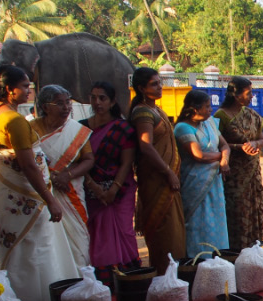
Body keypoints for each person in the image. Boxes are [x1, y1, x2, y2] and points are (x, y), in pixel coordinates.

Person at [0, 65, 78, 301]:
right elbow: (28, 166)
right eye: (24, 86)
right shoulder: (14, 121)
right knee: (37, 255)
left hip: (7, 201)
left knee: (18, 255)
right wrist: (50, 200)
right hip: (30, 202)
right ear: (9, 89)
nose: (29, 91)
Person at [81, 81, 139, 281]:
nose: (97, 102)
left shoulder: (123, 129)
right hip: (91, 191)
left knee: (123, 231)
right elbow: (77, 161)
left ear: (112, 101)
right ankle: (103, 279)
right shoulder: (81, 128)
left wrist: (113, 189)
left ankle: (128, 278)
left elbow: (126, 163)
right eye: (93, 97)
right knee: (97, 234)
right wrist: (93, 186)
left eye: (102, 98)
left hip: (120, 191)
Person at [130, 67, 186, 273]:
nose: (160, 87)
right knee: (164, 231)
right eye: (154, 84)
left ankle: (174, 276)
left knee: (175, 231)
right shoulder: (142, 112)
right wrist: (168, 172)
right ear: (141, 88)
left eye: (160, 82)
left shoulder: (157, 110)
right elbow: (146, 146)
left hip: (167, 178)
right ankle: (163, 276)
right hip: (156, 178)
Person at [31, 85, 92, 269]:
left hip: (71, 192)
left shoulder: (76, 131)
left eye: (68, 102)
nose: (66, 108)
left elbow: (89, 159)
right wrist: (50, 177)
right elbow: (25, 161)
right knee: (49, 245)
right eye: (59, 103)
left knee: (79, 244)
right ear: (45, 106)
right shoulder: (30, 129)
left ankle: (81, 278)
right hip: (41, 194)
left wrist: (67, 175)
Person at [174, 89, 231, 254]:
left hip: (214, 183)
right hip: (195, 184)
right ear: (195, 109)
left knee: (216, 222)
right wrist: (221, 157)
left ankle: (218, 258)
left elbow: (224, 145)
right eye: (207, 106)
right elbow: (198, 155)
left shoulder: (210, 123)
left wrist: (224, 161)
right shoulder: (183, 128)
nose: (210, 110)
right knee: (198, 223)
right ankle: (198, 259)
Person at [215, 76, 263, 249]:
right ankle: (236, 252)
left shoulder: (251, 115)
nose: (252, 96)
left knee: (254, 209)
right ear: (236, 95)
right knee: (237, 213)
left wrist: (255, 144)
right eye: (248, 93)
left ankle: (254, 250)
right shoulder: (221, 116)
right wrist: (239, 147)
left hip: (252, 174)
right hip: (234, 177)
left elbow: (262, 139)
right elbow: (216, 144)